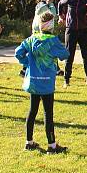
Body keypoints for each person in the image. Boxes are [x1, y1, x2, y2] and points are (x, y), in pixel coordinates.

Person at [15, 11, 71, 154]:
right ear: (51, 27)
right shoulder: (53, 41)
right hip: (46, 83)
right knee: (48, 113)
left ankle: (29, 142)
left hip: (33, 82)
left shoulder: (31, 39)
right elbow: (65, 54)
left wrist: (27, 62)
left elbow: (18, 52)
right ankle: (52, 146)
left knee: (32, 111)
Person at [58, 0, 87, 86]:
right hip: (71, 30)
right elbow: (60, 3)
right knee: (69, 55)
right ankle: (66, 79)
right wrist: (61, 16)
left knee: (86, 55)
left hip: (83, 31)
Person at [20, 0, 60, 77]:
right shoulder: (41, 5)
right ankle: (24, 69)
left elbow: (54, 15)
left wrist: (51, 4)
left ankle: (57, 68)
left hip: (46, 30)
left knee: (50, 47)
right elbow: (51, 13)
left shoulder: (49, 5)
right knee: (33, 49)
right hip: (39, 30)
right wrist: (50, 4)